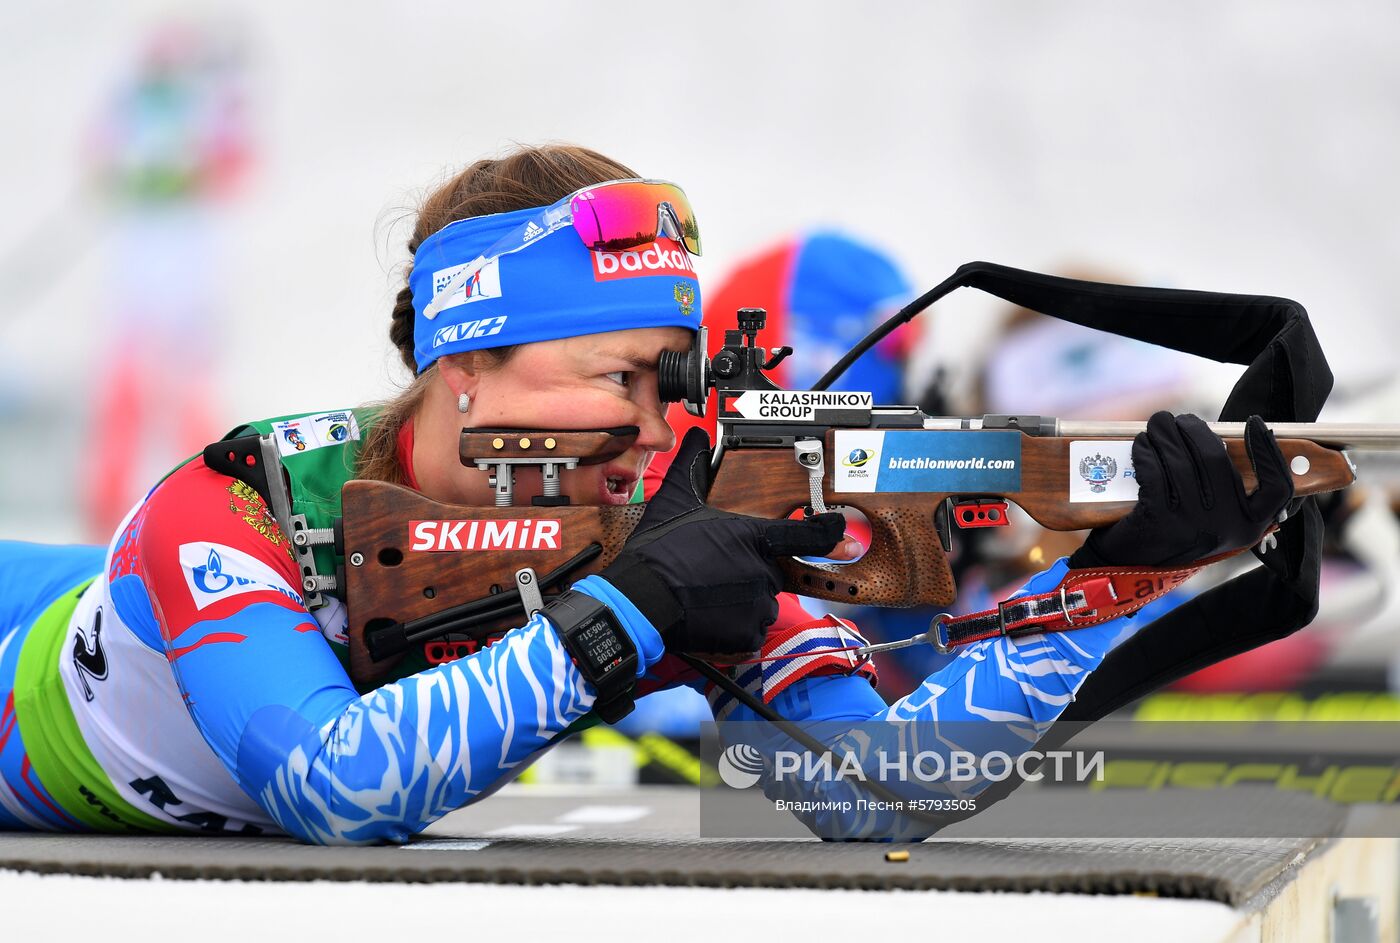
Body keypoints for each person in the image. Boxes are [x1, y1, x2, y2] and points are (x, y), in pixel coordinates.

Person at [0, 145, 1293, 844]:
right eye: (619, 376)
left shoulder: (653, 520)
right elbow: (333, 788)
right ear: (465, 364)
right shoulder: (240, 501)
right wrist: (627, 612)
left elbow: (885, 791)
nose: (658, 426)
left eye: (675, 380)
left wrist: (1115, 587)